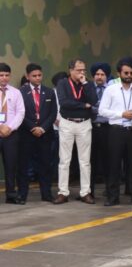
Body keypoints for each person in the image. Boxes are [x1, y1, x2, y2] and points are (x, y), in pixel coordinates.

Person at [97, 58, 132, 206]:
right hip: (116, 130)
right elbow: (102, 110)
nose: (129, 76)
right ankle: (113, 197)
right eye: (126, 73)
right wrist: (121, 114)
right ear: (119, 73)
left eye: (131, 73)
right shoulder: (111, 89)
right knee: (114, 164)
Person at [54, 58, 98, 204]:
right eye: (79, 70)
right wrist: (83, 105)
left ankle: (85, 192)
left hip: (84, 124)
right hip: (67, 123)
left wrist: (85, 84)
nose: (82, 73)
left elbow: (93, 100)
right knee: (64, 160)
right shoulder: (63, 83)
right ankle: (63, 192)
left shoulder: (88, 84)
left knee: (85, 161)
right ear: (71, 70)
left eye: (83, 70)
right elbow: (64, 103)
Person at [17, 63, 57, 203]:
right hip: (27, 134)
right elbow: (20, 113)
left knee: (45, 165)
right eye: (34, 76)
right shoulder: (20, 92)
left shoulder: (49, 92)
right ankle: (22, 195)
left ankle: (46, 194)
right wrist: (33, 127)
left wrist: (42, 128)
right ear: (28, 76)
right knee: (23, 165)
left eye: (39, 75)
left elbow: (53, 113)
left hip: (45, 134)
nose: (38, 78)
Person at [0, 62, 25, 204]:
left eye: (7, 75)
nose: (4, 78)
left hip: (11, 134)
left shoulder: (16, 92)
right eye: (1, 75)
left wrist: (9, 127)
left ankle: (11, 195)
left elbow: (20, 112)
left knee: (11, 165)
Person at [90, 62, 111, 186]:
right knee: (90, 160)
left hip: (107, 128)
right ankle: (89, 191)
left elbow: (112, 108)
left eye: (102, 74)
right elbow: (87, 107)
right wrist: (102, 109)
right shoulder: (87, 88)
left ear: (106, 76)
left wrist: (95, 108)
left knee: (108, 159)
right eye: (97, 74)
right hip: (90, 127)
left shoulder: (111, 89)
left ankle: (109, 190)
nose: (99, 77)